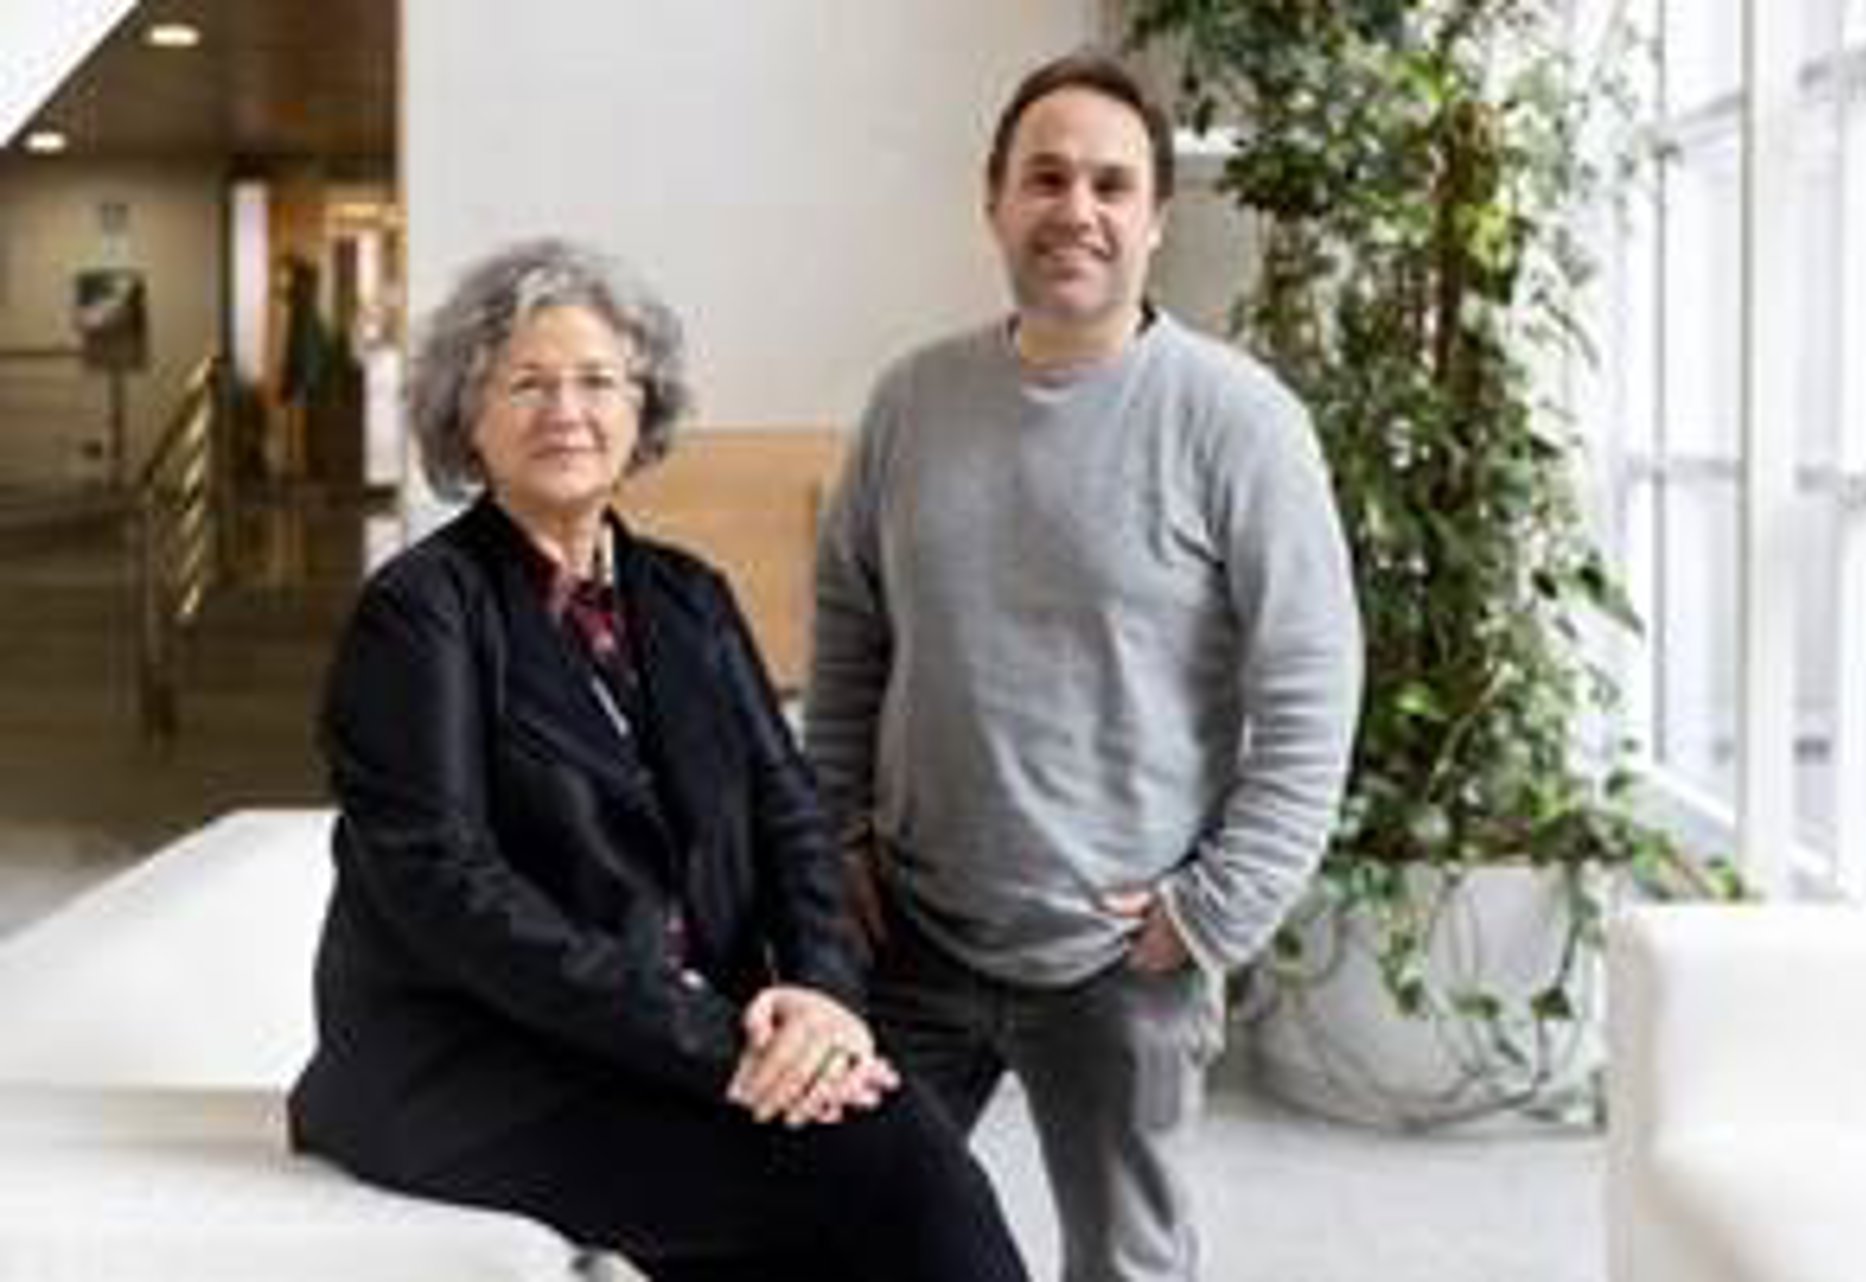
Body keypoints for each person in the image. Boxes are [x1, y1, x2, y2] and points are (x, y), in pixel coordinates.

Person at [289, 238, 1031, 1282]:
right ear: (469, 415)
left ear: (642, 410)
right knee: (896, 1160)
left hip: (667, 1042)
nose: (567, 411)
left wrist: (823, 997)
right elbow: (451, 892)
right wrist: (717, 1042)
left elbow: (791, 822)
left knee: (863, 1171)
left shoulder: (688, 596)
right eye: (528, 383)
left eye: (598, 381)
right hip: (475, 1071)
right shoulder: (418, 613)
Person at [807, 53, 1364, 1282]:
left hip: (1121, 960)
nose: (1077, 209)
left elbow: (1313, 688)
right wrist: (832, 832)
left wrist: (1215, 909)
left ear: (1156, 219)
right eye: (1046, 178)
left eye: (1112, 185)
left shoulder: (1241, 421)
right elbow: (850, 628)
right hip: (913, 929)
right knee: (842, 1236)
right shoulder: (912, 401)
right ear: (994, 200)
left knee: (1126, 1265)